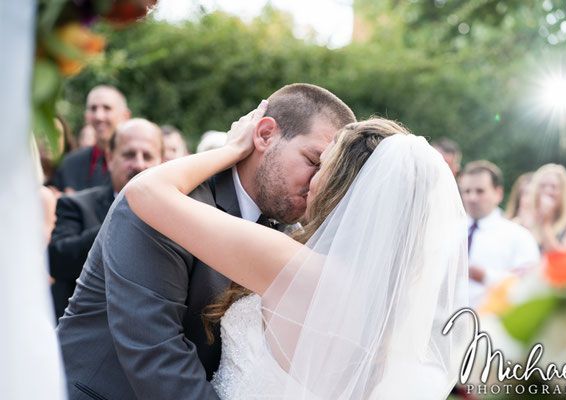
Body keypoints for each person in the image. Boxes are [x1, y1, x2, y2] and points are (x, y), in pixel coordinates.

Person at [126, 107, 469, 399]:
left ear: (344, 187)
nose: (311, 180)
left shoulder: (294, 267)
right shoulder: (393, 305)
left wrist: (231, 149)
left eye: (322, 166)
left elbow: (145, 190)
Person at [56, 83, 357, 400]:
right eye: (313, 161)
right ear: (265, 134)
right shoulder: (168, 204)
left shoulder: (289, 233)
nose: (317, 183)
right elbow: (155, 353)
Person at [49, 119, 163, 321]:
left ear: (162, 161)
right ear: (110, 158)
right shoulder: (76, 205)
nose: (138, 164)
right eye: (129, 155)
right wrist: (122, 218)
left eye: (147, 156)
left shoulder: (175, 214)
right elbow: (57, 261)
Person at [458, 160, 540, 307]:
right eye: (467, 191)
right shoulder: (450, 231)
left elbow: (529, 287)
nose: (472, 198)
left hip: (491, 324)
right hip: (445, 324)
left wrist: (485, 276)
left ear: (498, 193)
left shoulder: (519, 236)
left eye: (480, 191)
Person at [52, 85, 131, 192]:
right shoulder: (69, 164)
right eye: (93, 109)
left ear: (125, 116)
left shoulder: (137, 163)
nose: (98, 116)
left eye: (107, 108)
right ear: (86, 117)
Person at [524, 163, 566, 253]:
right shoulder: (523, 224)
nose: (547, 191)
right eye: (542, 186)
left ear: (563, 193)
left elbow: (564, 262)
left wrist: (545, 224)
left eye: (553, 187)